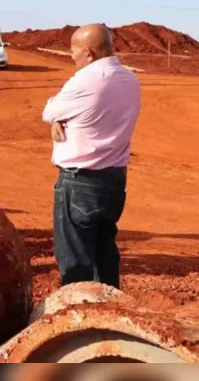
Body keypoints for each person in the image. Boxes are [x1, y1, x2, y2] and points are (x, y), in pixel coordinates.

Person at [43, 24, 141, 289]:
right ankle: (111, 315)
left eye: (73, 52)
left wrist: (56, 118)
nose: (72, 57)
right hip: (113, 181)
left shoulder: (86, 80)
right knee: (104, 256)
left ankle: (80, 323)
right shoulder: (130, 79)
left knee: (75, 264)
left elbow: (49, 110)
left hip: (79, 183)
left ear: (88, 53)